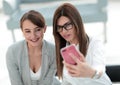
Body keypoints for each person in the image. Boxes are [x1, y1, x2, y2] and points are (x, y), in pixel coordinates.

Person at [53, 3, 112, 85]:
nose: (64, 31)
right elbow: (67, 82)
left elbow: (100, 68)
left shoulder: (94, 42)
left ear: (76, 22)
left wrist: (91, 72)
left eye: (68, 25)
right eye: (59, 27)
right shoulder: (63, 50)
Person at [6, 10, 60, 85]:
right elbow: (16, 83)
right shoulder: (12, 52)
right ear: (22, 32)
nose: (33, 36)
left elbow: (48, 82)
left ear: (44, 29)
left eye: (37, 30)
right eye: (28, 31)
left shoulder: (54, 51)